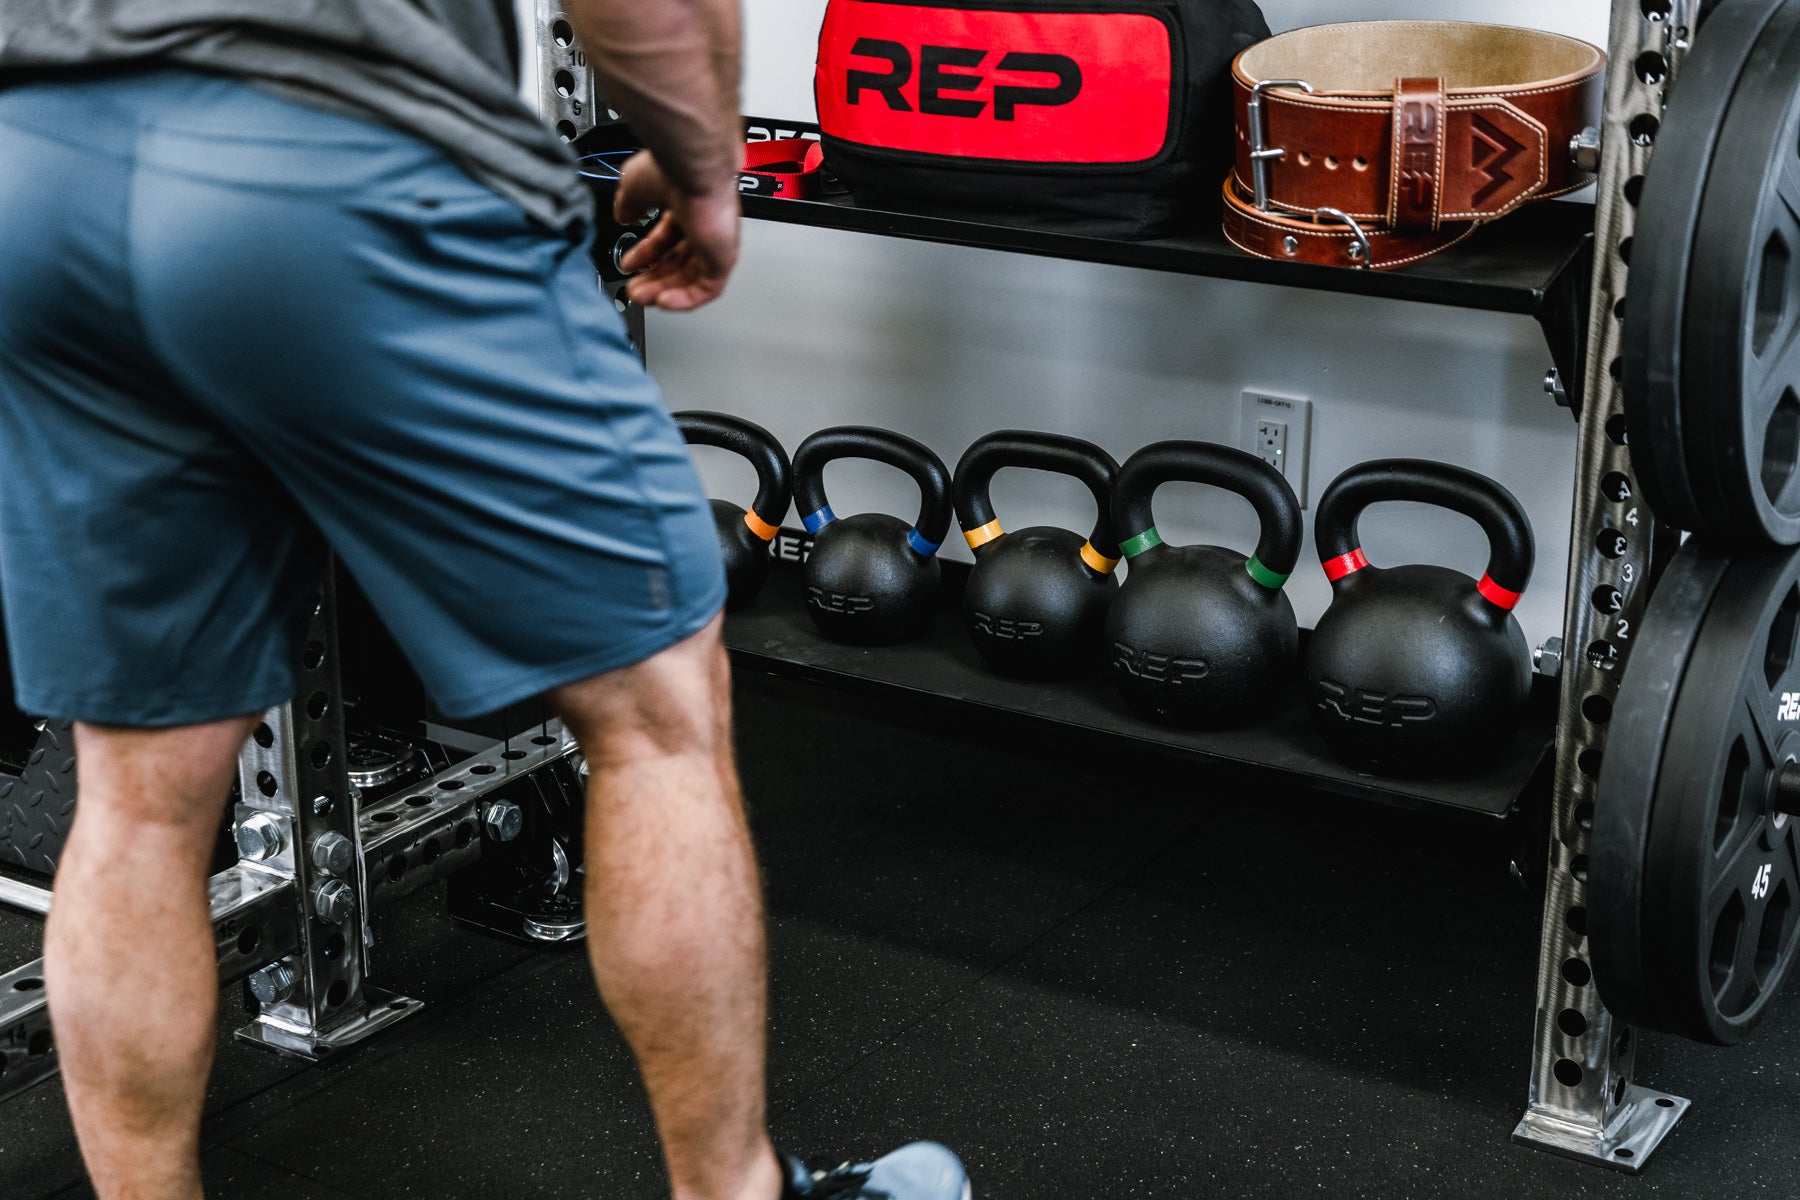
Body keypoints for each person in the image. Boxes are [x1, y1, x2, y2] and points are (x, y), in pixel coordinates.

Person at [0, 2, 970, 1198]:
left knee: (140, 797)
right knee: (654, 714)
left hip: (44, 173)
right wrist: (704, 165)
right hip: (344, 151)